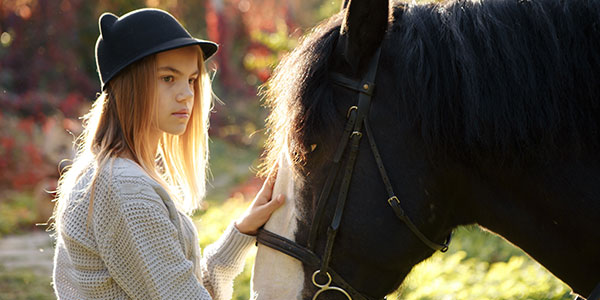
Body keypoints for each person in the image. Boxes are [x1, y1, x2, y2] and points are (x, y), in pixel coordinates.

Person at [51, 8, 284, 300]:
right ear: (128, 84)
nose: (187, 94)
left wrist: (240, 231)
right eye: (167, 78)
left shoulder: (111, 173)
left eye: (191, 80)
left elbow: (184, 290)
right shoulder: (125, 189)